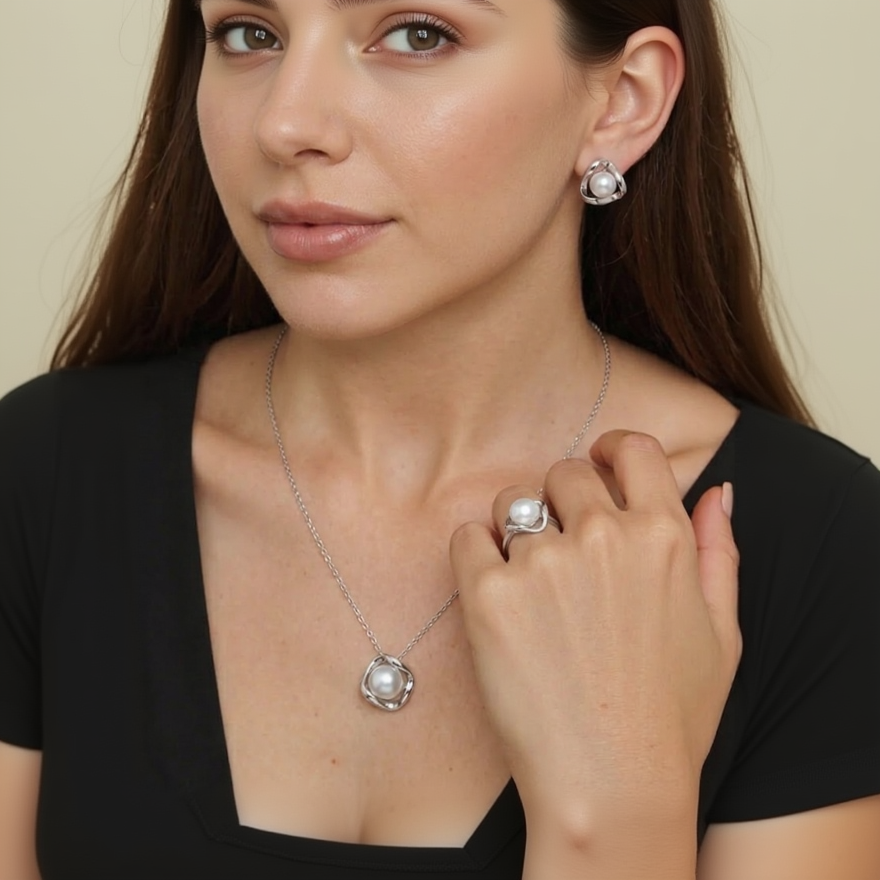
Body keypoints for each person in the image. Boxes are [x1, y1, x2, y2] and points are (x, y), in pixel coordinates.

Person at [1, 0, 878, 877]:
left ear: (622, 100)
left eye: (418, 34)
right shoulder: (41, 476)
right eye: (249, 34)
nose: (284, 124)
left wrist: (618, 808)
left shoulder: (819, 551)